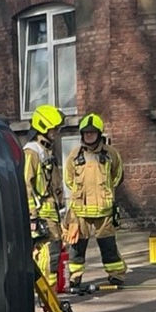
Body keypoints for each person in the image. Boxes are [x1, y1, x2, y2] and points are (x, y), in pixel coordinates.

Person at [64, 112, 127, 291]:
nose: (89, 136)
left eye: (92, 132)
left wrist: (106, 193)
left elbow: (118, 176)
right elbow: (69, 179)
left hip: (104, 211)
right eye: (86, 133)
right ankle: (75, 278)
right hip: (80, 211)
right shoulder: (75, 155)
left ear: (99, 134)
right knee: (77, 246)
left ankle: (116, 275)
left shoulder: (111, 154)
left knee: (108, 245)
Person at [24, 104, 66, 285]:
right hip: (41, 214)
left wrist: (62, 209)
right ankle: (46, 291)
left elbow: (55, 183)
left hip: (52, 213)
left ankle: (51, 290)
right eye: (53, 129)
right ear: (43, 127)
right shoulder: (32, 153)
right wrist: (32, 215)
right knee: (47, 254)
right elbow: (25, 183)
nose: (55, 132)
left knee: (54, 251)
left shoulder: (46, 151)